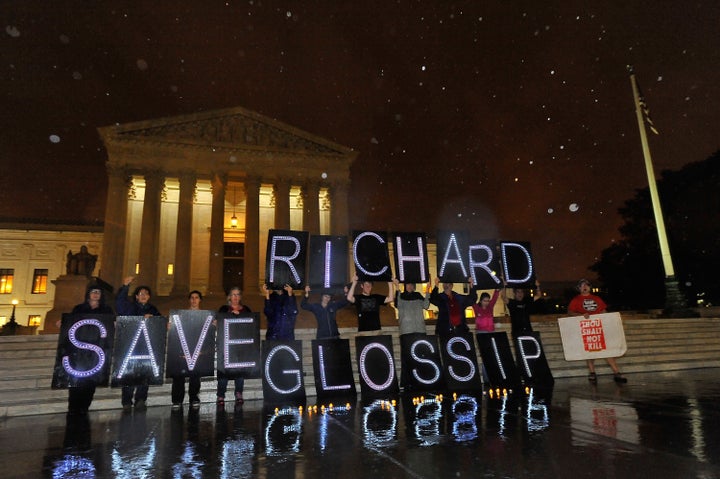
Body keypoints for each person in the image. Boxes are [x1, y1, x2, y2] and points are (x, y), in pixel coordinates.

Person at [65, 283, 114, 416]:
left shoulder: (106, 311)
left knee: (91, 381)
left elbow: (110, 326)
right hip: (79, 350)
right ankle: (73, 406)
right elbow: (70, 322)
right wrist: (62, 322)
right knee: (76, 380)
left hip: (96, 351)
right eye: (93, 291)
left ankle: (84, 406)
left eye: (98, 292)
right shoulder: (79, 309)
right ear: (88, 294)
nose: (96, 294)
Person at [568, 278, 627, 384]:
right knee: (590, 351)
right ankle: (592, 372)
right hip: (586, 328)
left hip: (599, 327)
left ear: (590, 287)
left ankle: (616, 372)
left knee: (607, 350)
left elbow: (603, 310)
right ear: (579, 288)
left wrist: (605, 317)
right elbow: (570, 312)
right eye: (582, 286)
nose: (585, 287)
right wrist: (581, 315)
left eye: (586, 285)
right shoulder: (576, 300)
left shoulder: (596, 298)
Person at [116, 276, 161, 411]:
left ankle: (141, 399)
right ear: (136, 296)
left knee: (144, 373)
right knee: (129, 374)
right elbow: (119, 304)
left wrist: (155, 319)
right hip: (131, 345)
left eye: (146, 294)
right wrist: (125, 286)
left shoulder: (153, 309)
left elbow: (160, 323)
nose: (143, 296)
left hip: (146, 347)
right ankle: (126, 401)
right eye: (141, 294)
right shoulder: (130, 307)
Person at [216, 286, 251, 405]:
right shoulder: (224, 309)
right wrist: (231, 314)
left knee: (240, 371)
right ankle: (221, 395)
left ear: (240, 297)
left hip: (240, 345)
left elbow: (251, 324)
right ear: (229, 297)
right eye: (233, 294)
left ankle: (239, 393)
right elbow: (218, 322)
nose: (235, 297)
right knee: (224, 371)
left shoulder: (246, 309)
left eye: (237, 294)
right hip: (226, 345)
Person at [170, 290, 204, 410]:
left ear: (200, 300)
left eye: (196, 297)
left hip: (197, 349)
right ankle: (177, 400)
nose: (194, 300)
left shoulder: (205, 316)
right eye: (192, 298)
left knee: (195, 376)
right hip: (183, 348)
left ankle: (194, 397)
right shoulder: (181, 315)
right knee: (179, 375)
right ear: (189, 300)